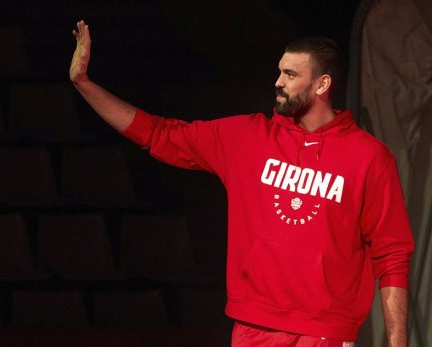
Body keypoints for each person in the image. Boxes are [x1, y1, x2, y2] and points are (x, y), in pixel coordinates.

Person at [69, 20, 414, 347]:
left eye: (290, 74)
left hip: (322, 331)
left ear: (322, 85)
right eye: (279, 71)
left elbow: (392, 257)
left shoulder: (369, 157)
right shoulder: (248, 137)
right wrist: (85, 84)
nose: (277, 81)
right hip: (252, 327)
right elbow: (159, 134)